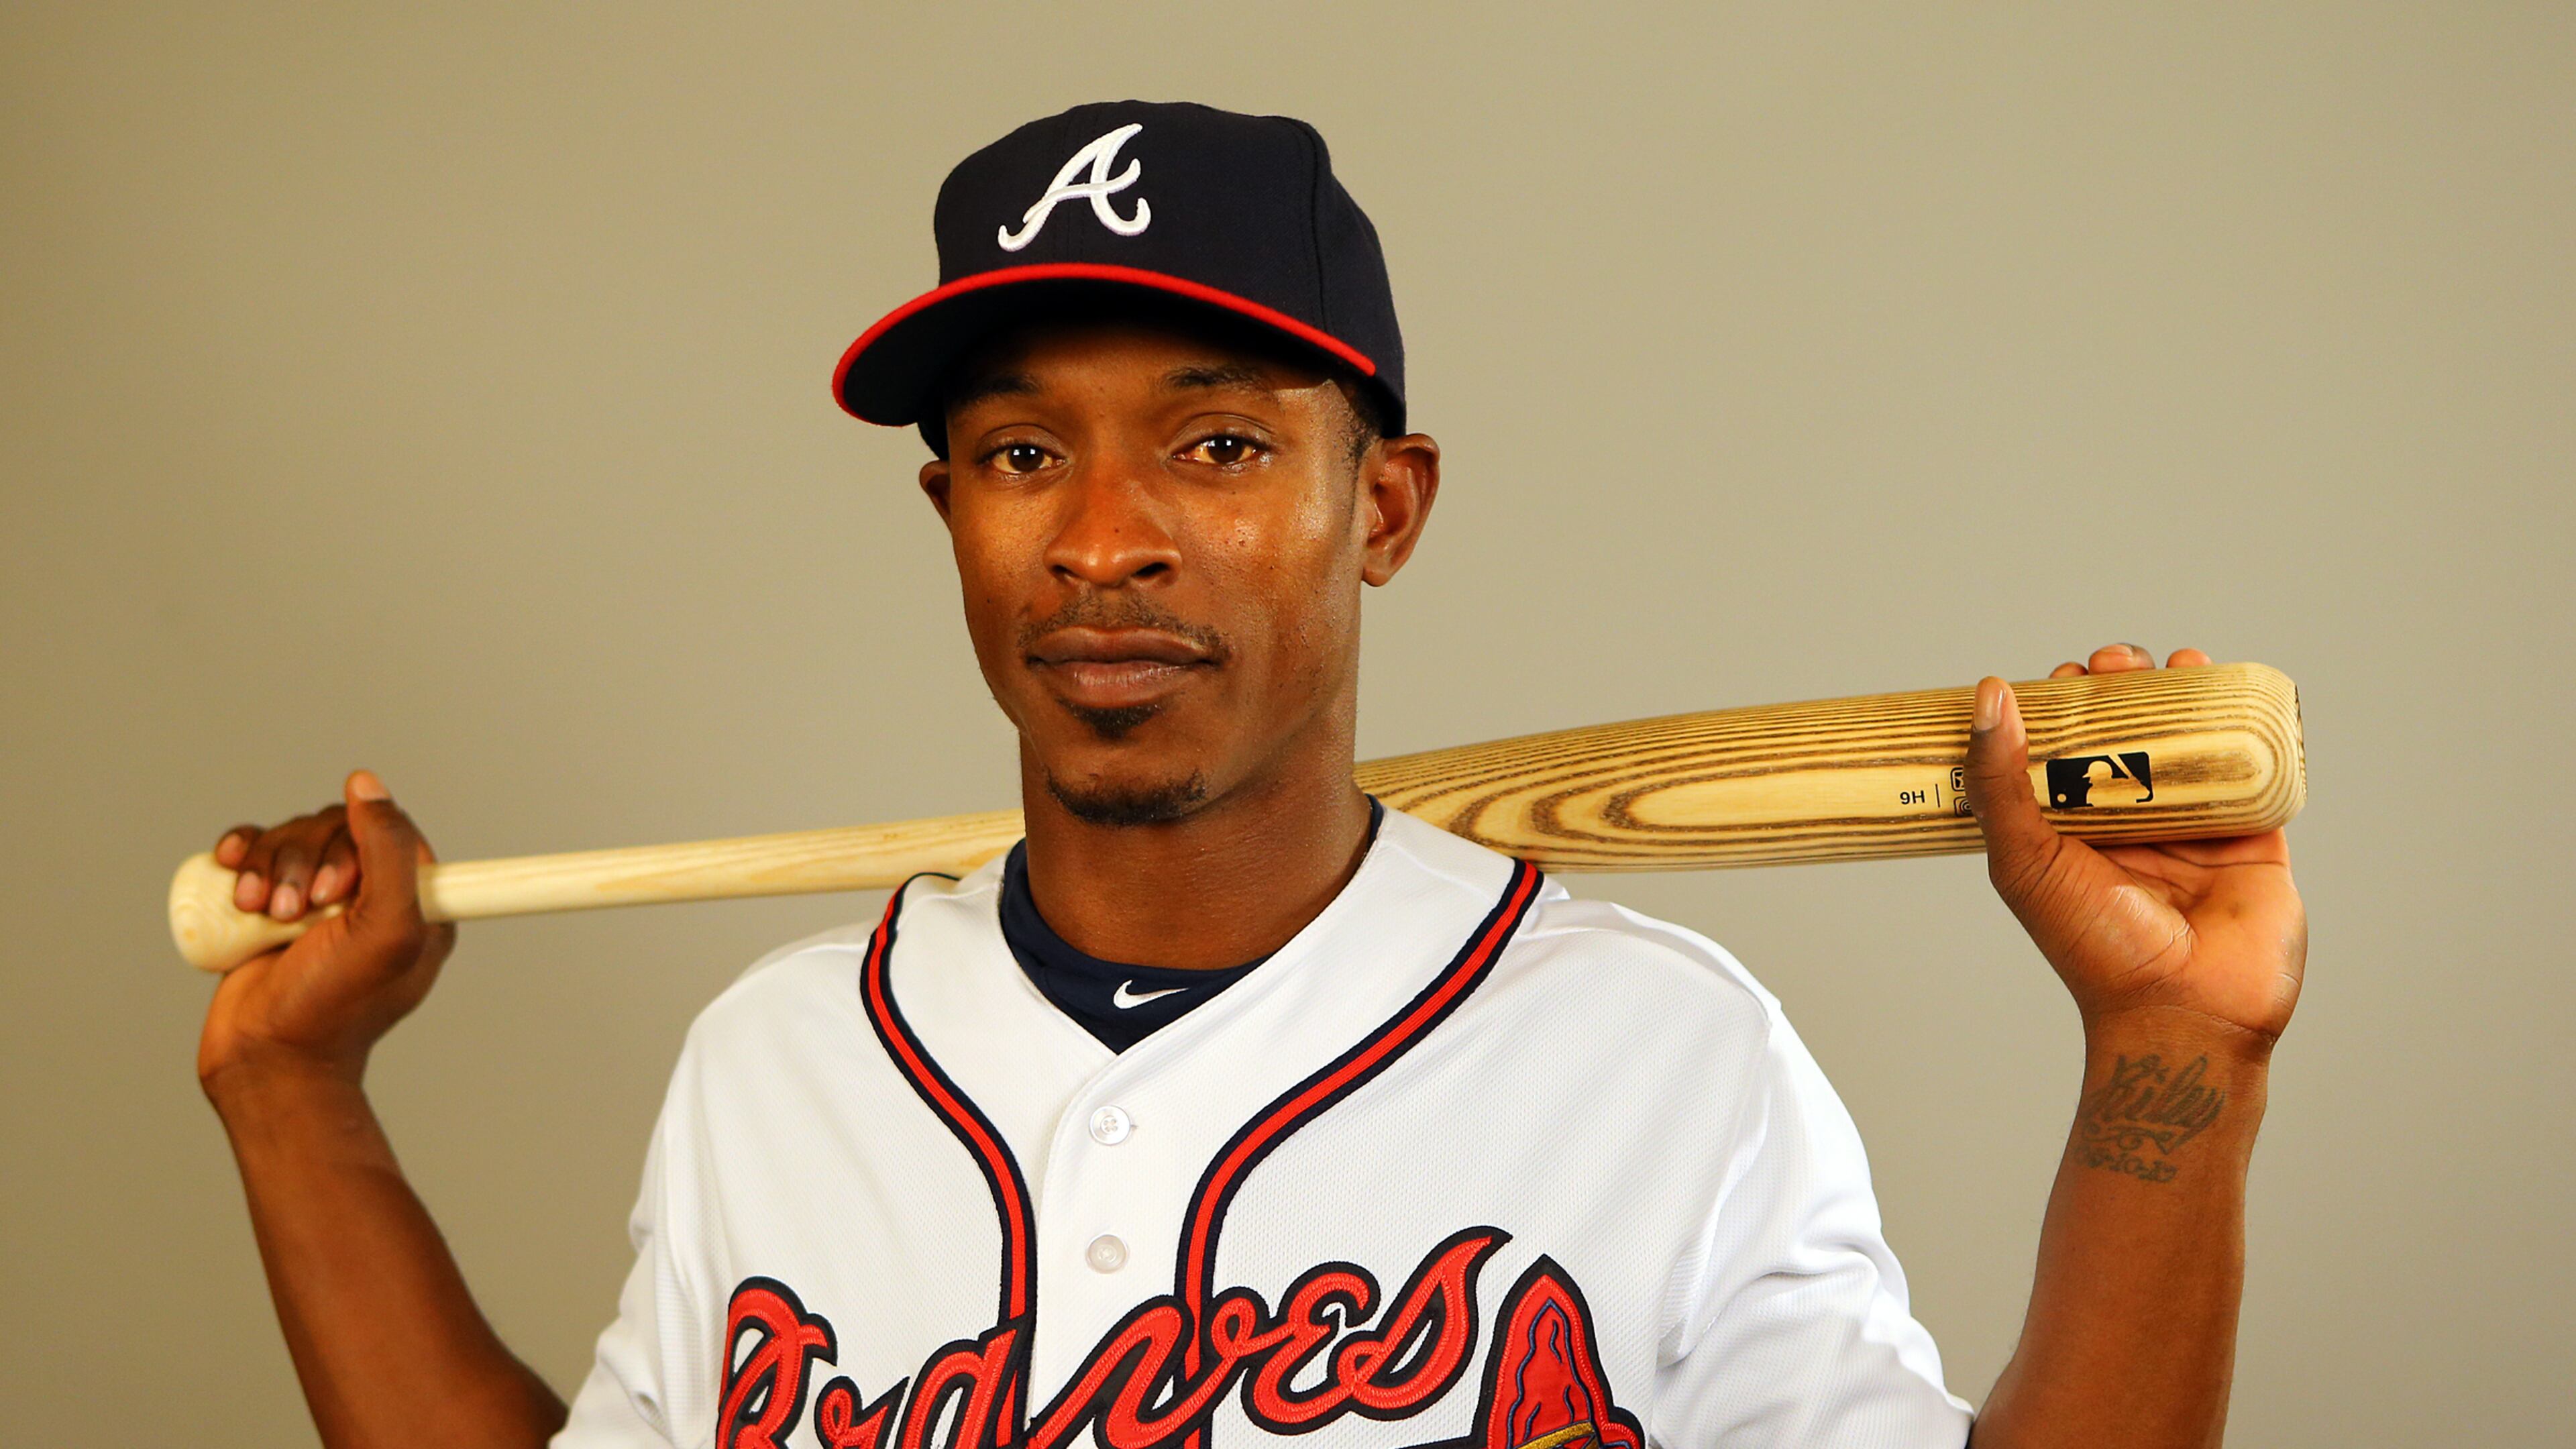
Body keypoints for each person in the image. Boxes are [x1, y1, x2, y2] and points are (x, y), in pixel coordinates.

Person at [195, 102, 2305, 1449]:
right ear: (950, 512)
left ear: (1380, 505)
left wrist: (2174, 1057)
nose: (1105, 535)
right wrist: (292, 1097)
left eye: (1217, 444)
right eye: (1025, 452)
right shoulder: (775, 1069)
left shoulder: (1665, 1059)